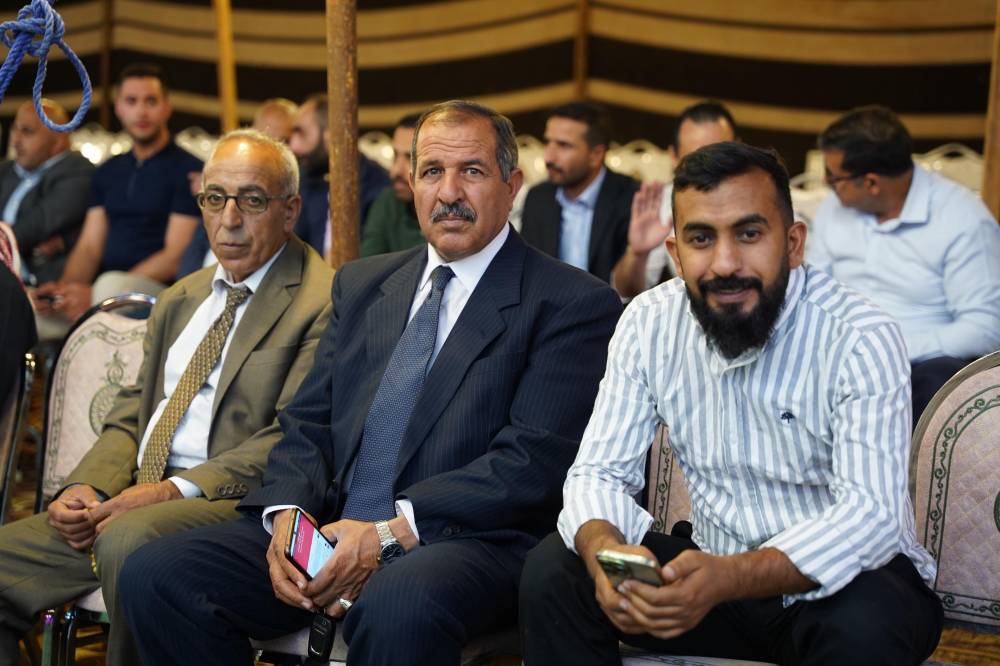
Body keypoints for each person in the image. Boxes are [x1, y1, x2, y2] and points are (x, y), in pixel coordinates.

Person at [119, 100, 622, 666]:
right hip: (332, 530)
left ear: (512, 186)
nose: (449, 192)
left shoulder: (570, 302)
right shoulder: (363, 284)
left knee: (396, 603)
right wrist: (286, 516)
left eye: (472, 171)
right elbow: (308, 423)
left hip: (466, 540)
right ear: (412, 182)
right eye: (432, 171)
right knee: (157, 573)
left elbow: (529, 464)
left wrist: (388, 532)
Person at [520, 142, 943, 666]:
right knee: (555, 571)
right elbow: (597, 475)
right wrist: (608, 555)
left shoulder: (859, 335)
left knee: (865, 626)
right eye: (701, 238)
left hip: (841, 586)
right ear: (676, 255)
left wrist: (729, 577)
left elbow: (870, 518)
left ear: (793, 243)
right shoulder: (648, 323)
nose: (725, 264)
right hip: (714, 582)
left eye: (749, 234)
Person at [0, 129, 334, 666]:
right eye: (214, 198)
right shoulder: (182, 296)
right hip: (127, 500)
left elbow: (290, 438)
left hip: (222, 505)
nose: (228, 219)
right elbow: (131, 412)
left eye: (251, 201)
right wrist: (87, 486)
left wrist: (168, 492)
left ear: (290, 210)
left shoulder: (322, 301)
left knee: (128, 542)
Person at [808, 105, 1000, 425]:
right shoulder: (834, 209)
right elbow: (814, 289)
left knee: (940, 379)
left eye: (833, 176)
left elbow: (986, 329)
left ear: (871, 183)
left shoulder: (963, 220)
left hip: (918, 367)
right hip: (838, 356)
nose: (826, 183)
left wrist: (890, 349)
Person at [31, 63, 203, 340]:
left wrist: (96, 293)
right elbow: (89, 246)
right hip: (102, 292)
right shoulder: (108, 172)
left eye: (151, 101)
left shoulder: (189, 170)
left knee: (110, 285)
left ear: (167, 107)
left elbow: (175, 256)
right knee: (29, 312)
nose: (141, 111)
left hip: (157, 294)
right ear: (119, 108)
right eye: (131, 101)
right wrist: (67, 290)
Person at [613, 101, 737, 298]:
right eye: (696, 160)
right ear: (673, 156)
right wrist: (637, 254)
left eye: (721, 156)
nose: (710, 170)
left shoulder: (767, 197)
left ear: (739, 148)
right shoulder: (662, 204)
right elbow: (625, 292)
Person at [520, 101, 638, 283]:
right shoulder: (538, 197)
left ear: (596, 155)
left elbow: (632, 289)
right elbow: (528, 272)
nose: (549, 157)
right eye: (547, 142)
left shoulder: (630, 198)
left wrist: (637, 254)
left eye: (563, 145)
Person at [0, 100, 95, 285]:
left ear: (58, 141)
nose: (15, 141)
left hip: (41, 283)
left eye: (27, 131)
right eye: (14, 129)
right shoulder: (7, 169)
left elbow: (36, 225)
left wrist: (3, 242)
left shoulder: (78, 171)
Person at [289, 93, 388, 254]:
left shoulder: (377, 185)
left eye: (301, 133)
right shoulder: (303, 180)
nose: (293, 146)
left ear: (331, 134)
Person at [360, 113, 425, 256]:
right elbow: (369, 263)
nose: (395, 171)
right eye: (395, 155)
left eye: (410, 158)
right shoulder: (388, 201)